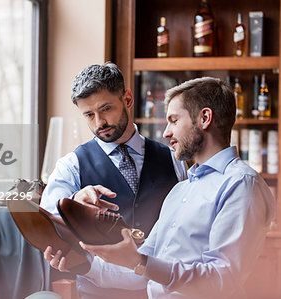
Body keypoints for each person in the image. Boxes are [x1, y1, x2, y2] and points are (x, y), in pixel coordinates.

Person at [45, 77, 276, 298]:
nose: (166, 132)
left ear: (205, 118)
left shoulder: (241, 184)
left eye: (174, 120)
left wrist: (141, 263)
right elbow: (143, 272)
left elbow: (222, 280)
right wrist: (83, 265)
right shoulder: (179, 192)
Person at [40, 62, 187, 298]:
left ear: (127, 99)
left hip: (162, 291)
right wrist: (76, 200)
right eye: (89, 114)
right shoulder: (71, 166)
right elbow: (49, 224)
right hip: (99, 293)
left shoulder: (173, 159)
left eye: (106, 108)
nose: (99, 123)